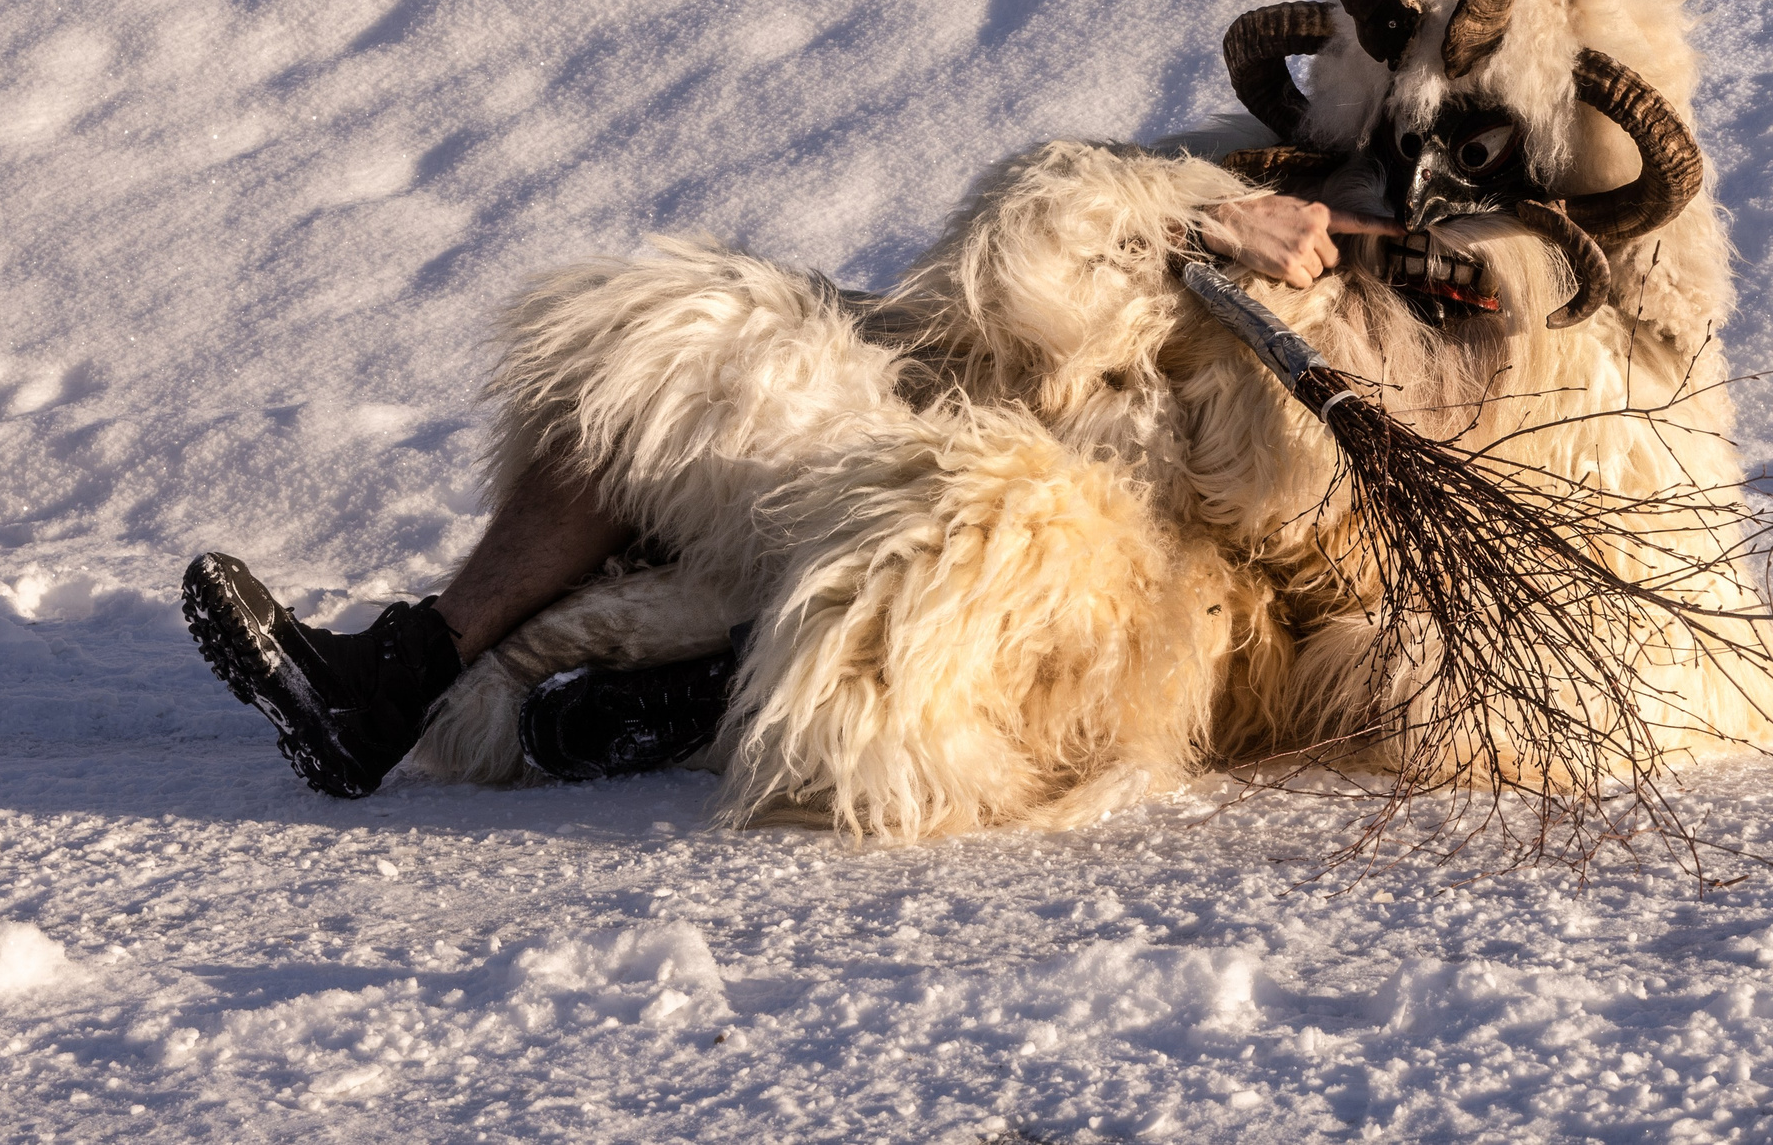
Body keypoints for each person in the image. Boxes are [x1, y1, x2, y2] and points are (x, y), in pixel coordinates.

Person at [182, 190, 1394, 800]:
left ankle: (695, 698)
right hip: (928, 404)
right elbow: (998, 278)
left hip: (1108, 551)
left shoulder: (1411, 347)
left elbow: (1290, 533)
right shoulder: (1216, 184)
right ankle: (393, 677)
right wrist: (1202, 223)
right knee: (666, 344)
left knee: (967, 540)